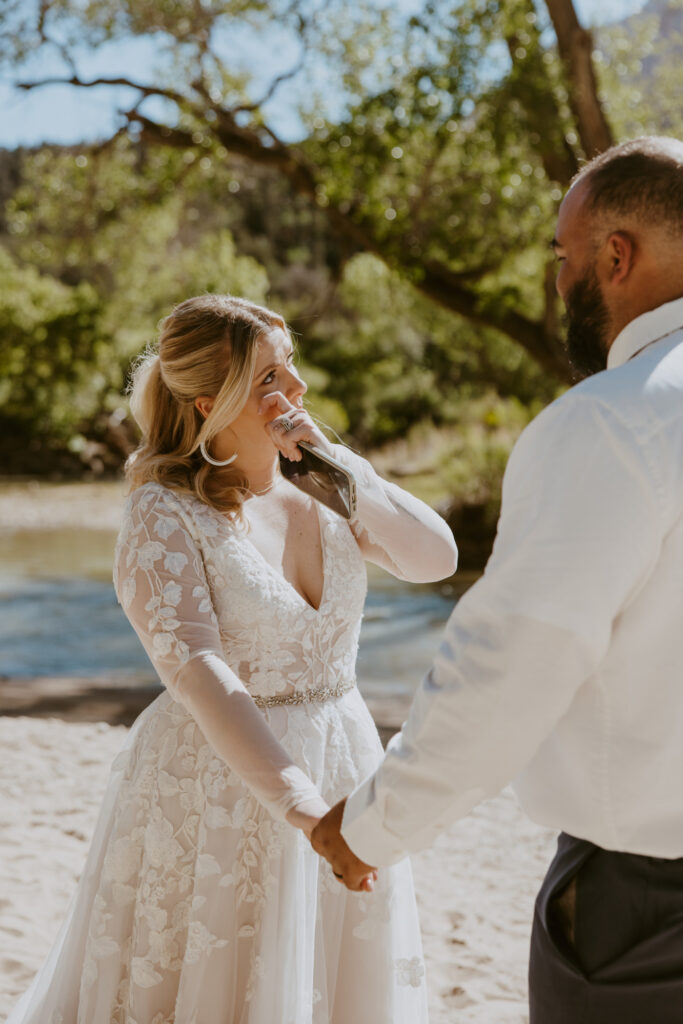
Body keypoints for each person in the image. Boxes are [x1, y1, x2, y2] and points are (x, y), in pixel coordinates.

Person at [7, 294, 458, 1024]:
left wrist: (340, 464)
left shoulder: (324, 488)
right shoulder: (164, 511)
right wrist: (305, 812)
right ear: (211, 402)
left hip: (345, 754)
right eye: (272, 378)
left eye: (293, 369)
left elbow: (436, 559)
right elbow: (198, 674)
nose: (298, 390)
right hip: (219, 786)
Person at [312, 136, 683, 1023]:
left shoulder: (610, 422)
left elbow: (512, 663)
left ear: (614, 256)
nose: (558, 287)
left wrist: (370, 825)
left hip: (647, 913)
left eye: (563, 259)